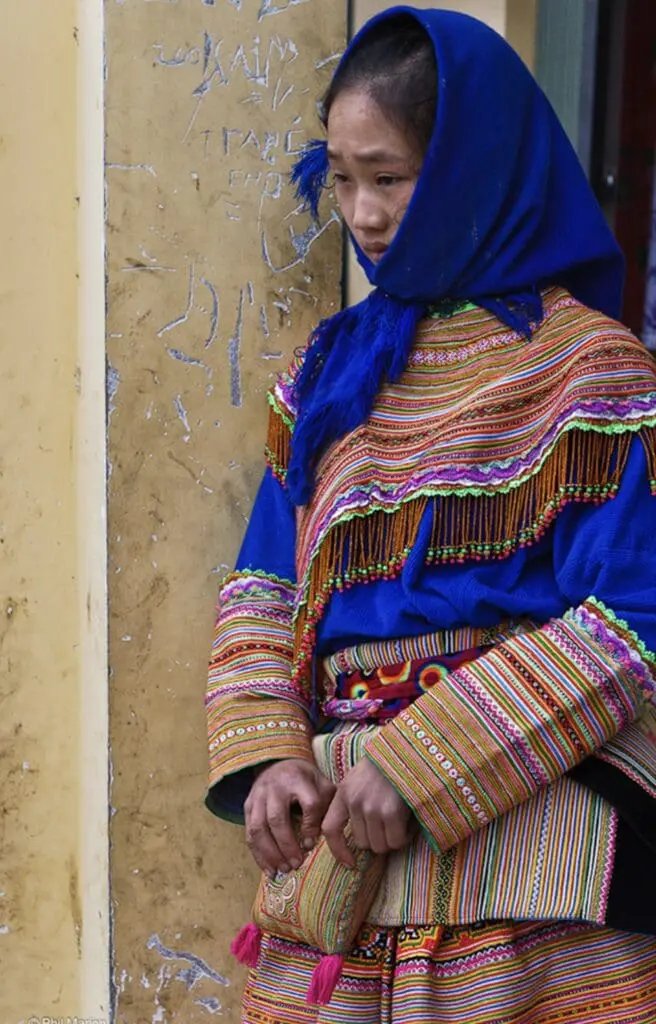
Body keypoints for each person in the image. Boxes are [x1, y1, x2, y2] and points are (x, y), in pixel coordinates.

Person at [205, 7, 656, 1023]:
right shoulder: (322, 378)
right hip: (339, 854)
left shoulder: (589, 369)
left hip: (524, 852)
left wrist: (423, 763)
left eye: (390, 177)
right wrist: (269, 750)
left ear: (470, 166)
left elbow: (633, 618)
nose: (360, 213)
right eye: (342, 177)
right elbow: (264, 584)